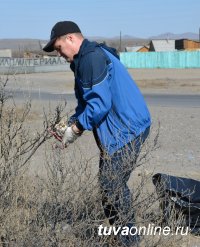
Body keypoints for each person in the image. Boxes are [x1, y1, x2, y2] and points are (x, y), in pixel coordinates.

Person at [43, 21, 151, 246]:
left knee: (112, 185)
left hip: (127, 130)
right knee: (108, 187)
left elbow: (100, 105)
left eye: (59, 47)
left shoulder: (91, 58)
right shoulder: (84, 60)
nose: (59, 54)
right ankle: (123, 237)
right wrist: (70, 125)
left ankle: (129, 241)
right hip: (117, 131)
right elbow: (87, 103)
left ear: (71, 39)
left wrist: (76, 129)